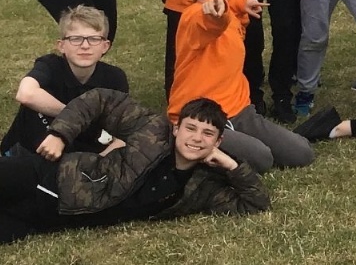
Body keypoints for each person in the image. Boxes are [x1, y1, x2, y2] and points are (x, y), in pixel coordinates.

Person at [0, 91, 268, 245]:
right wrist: (60, 134)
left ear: (218, 141)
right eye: (191, 128)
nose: (197, 138)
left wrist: (232, 165)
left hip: (47, 219)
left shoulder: (202, 187)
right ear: (177, 129)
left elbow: (255, 204)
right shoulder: (152, 129)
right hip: (46, 176)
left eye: (208, 134)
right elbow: (101, 100)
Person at [169, 0, 314, 172]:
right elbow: (211, 21)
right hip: (199, 116)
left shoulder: (233, 15)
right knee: (262, 159)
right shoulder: (193, 17)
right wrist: (219, 10)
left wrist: (239, 3)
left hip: (238, 110)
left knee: (302, 153)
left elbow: (228, 10)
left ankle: (218, 144)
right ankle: (184, 141)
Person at [1, 6, 128, 157]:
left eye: (94, 39)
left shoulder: (114, 78)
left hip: (81, 160)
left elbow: (123, 134)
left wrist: (97, 163)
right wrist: (75, 116)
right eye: (76, 39)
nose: (85, 46)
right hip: (26, 154)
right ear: (61, 46)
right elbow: (26, 94)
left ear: (105, 46)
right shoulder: (50, 66)